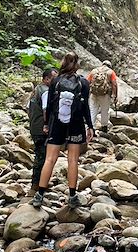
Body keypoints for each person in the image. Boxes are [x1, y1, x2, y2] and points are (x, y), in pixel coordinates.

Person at [31, 52, 95, 209]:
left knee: (49, 159)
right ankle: (72, 197)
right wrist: (90, 126)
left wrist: (46, 124)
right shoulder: (83, 83)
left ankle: (39, 195)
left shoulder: (56, 81)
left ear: (63, 63)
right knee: (72, 160)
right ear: (77, 64)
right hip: (76, 124)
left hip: (57, 123)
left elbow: (52, 106)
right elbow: (86, 106)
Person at [27, 67, 57, 197]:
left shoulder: (36, 90)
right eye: (53, 78)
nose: (56, 81)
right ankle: (36, 186)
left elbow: (28, 108)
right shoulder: (46, 91)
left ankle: (40, 183)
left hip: (34, 126)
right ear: (46, 79)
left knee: (41, 155)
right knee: (42, 157)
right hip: (42, 128)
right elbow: (46, 109)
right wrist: (47, 125)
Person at [87, 59, 118, 132]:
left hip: (93, 94)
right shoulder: (111, 72)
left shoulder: (94, 71)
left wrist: (87, 94)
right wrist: (115, 96)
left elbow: (87, 81)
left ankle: (91, 128)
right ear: (109, 66)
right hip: (105, 95)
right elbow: (114, 84)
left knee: (92, 110)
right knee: (104, 111)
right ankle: (104, 127)